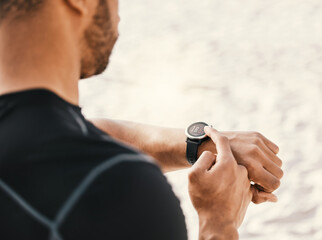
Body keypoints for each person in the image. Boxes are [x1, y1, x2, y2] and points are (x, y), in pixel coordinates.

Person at [0, 0, 283, 239]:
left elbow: (62, 139)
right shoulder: (120, 188)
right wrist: (218, 223)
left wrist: (199, 145)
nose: (119, 10)